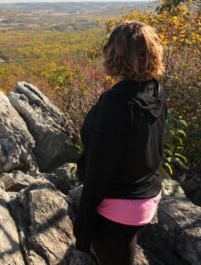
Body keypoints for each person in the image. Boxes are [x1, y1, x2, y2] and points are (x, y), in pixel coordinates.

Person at [73, 20, 167, 265]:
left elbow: (99, 169)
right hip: (149, 195)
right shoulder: (155, 90)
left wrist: (82, 232)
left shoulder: (116, 102)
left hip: (120, 206)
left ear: (115, 56)